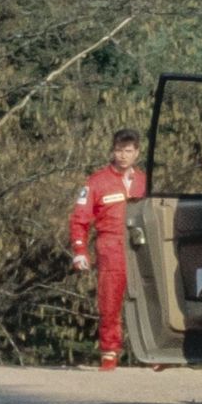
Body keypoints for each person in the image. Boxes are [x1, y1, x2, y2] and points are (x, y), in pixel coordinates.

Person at [68, 129, 146, 371]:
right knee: (110, 301)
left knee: (148, 298)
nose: (123, 156)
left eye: (128, 151)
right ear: (113, 151)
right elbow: (79, 219)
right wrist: (80, 250)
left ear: (137, 152)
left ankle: (152, 353)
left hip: (141, 247)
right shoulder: (96, 182)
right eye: (119, 150)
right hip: (110, 246)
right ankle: (110, 353)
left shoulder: (145, 181)